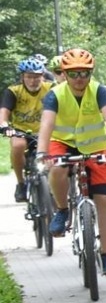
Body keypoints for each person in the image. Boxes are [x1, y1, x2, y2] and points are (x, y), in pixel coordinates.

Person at [36, 49, 106, 274]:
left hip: (95, 146)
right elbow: (47, 124)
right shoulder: (55, 94)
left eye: (84, 73)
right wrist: (42, 152)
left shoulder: (100, 91)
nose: (79, 78)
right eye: (73, 74)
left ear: (91, 73)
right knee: (57, 169)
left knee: (104, 199)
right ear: (64, 74)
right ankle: (62, 210)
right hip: (62, 143)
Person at [1, 57, 52, 201]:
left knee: (55, 150)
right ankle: (21, 183)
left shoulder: (51, 88)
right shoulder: (14, 91)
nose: (32, 81)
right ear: (22, 77)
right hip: (20, 130)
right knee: (18, 145)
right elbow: (4, 113)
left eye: (36, 77)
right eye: (29, 77)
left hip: (45, 130)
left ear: (43, 76)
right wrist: (4, 126)